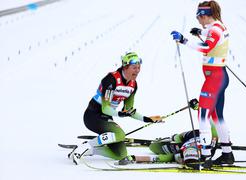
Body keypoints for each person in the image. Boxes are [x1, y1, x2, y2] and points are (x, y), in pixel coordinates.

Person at [170, 0, 234, 168]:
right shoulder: (218, 26)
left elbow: (206, 47)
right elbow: (210, 37)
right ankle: (227, 154)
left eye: (199, 18)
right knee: (216, 116)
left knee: (203, 115)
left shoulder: (215, 30)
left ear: (205, 16)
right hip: (218, 76)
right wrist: (200, 32)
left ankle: (205, 156)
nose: (198, 20)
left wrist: (184, 40)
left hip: (215, 79)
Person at [68, 52, 162, 165]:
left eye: (138, 68)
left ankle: (90, 150)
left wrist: (147, 119)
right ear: (125, 67)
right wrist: (120, 114)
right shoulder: (111, 79)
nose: (137, 71)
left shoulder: (133, 85)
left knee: (120, 153)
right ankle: (85, 146)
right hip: (93, 115)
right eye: (134, 68)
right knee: (120, 134)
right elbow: (105, 108)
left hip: (106, 117)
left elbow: (129, 110)